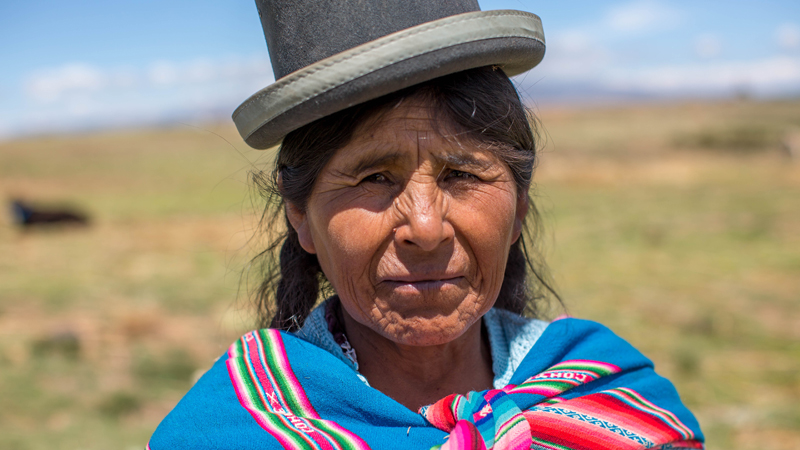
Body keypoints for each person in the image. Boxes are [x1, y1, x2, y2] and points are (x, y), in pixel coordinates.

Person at [148, 1, 705, 449]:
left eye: (462, 173)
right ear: (303, 218)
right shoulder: (232, 431)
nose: (425, 225)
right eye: (372, 177)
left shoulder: (606, 392)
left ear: (519, 210)